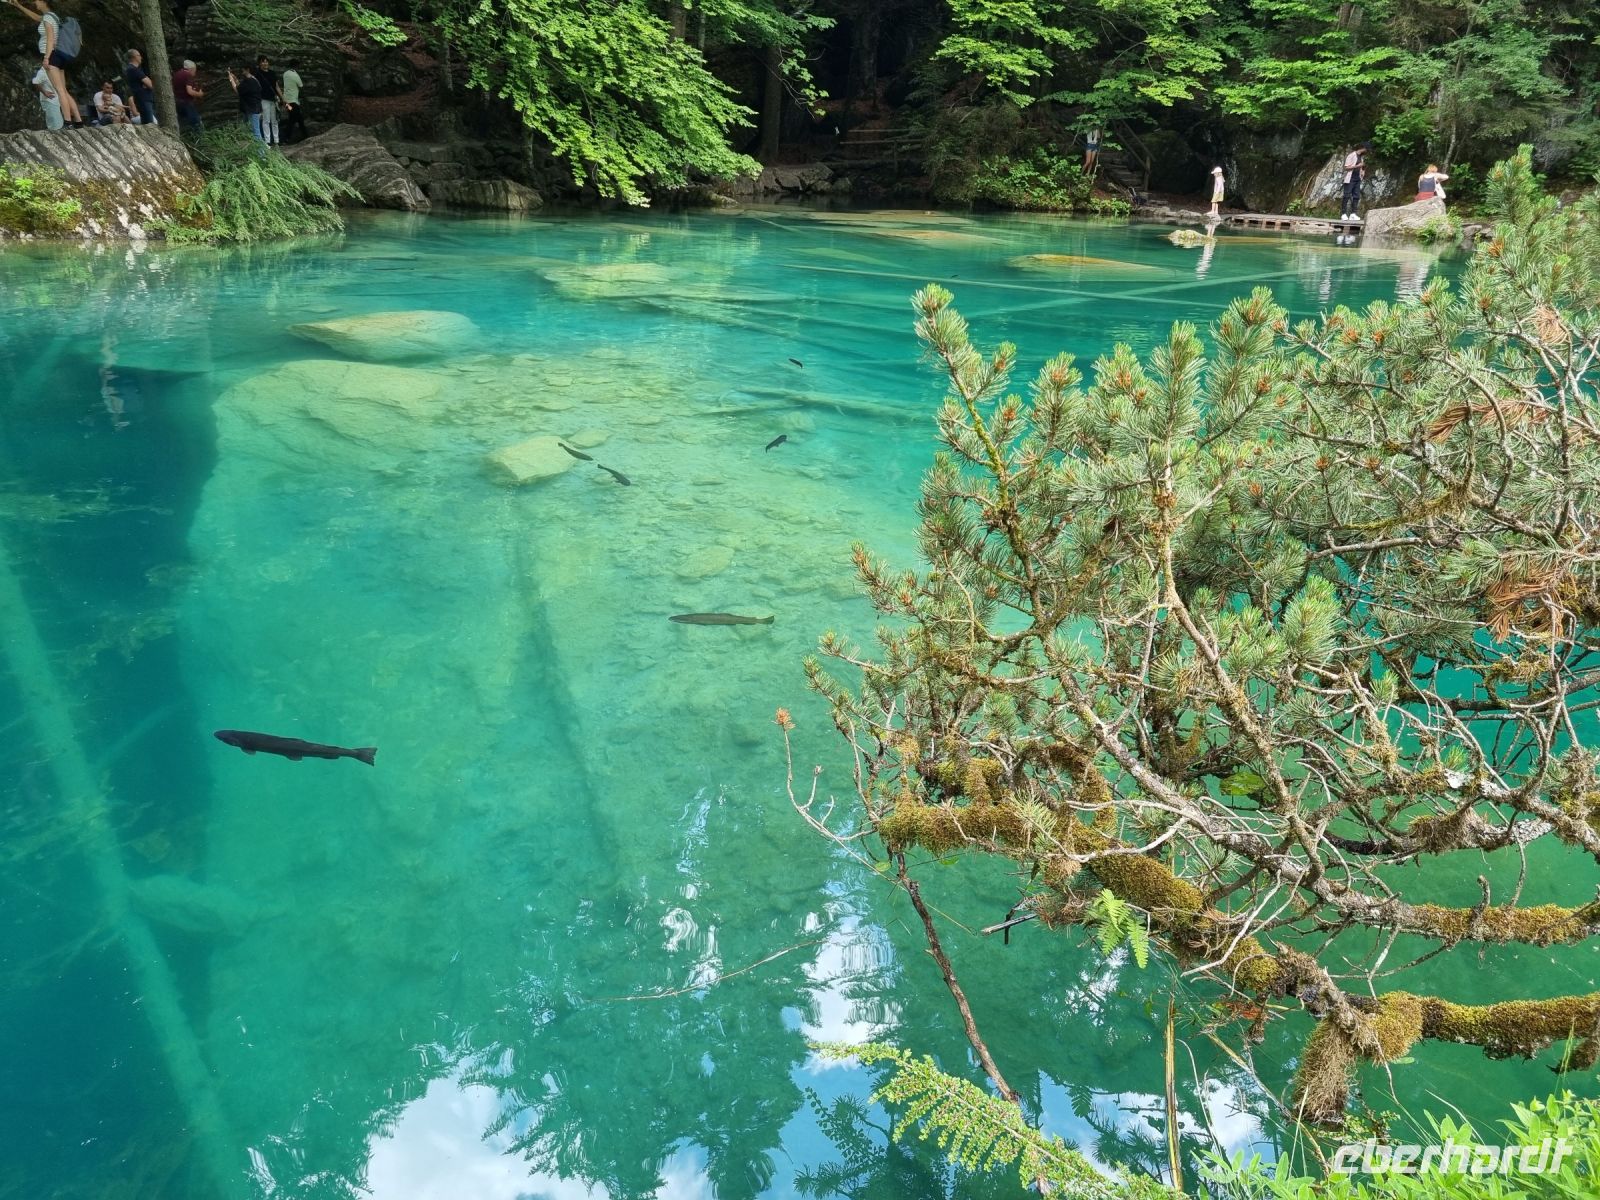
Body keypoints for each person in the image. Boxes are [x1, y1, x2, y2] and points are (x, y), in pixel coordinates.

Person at [9, 0, 85, 127]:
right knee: (64, 90)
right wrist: (18, 6)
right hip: (60, 56)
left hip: (52, 56)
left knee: (59, 90)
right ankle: (78, 121)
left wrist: (46, 58)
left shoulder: (48, 18)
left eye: (37, 0)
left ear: (44, 1)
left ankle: (67, 122)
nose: (35, 2)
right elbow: (36, 17)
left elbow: (50, 39)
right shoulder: (52, 16)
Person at [228, 59, 264, 142]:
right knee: (249, 131)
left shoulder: (249, 81)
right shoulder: (253, 80)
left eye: (243, 69)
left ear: (248, 69)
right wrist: (235, 79)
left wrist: (231, 80)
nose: (242, 70)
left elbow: (238, 91)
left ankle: (262, 150)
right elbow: (241, 88)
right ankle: (254, 148)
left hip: (252, 110)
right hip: (250, 109)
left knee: (256, 133)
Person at [253, 54, 280, 146]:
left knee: (275, 120)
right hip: (264, 99)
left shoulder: (272, 73)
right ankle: (267, 141)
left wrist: (282, 98)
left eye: (266, 61)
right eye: (263, 62)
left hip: (273, 99)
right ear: (259, 63)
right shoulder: (257, 74)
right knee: (266, 120)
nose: (265, 63)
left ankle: (276, 141)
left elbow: (277, 87)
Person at [123, 49, 156, 125]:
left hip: (144, 99)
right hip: (143, 99)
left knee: (148, 122)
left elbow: (148, 83)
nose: (141, 57)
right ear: (134, 57)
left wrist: (146, 83)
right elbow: (150, 84)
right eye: (139, 55)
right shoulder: (133, 69)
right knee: (149, 124)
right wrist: (147, 83)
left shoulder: (135, 69)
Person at [1341, 142, 1370, 222]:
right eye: (1367, 149)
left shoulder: (1361, 157)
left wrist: (1362, 171)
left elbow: (1362, 166)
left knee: (1356, 196)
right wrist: (1357, 166)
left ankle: (1353, 214)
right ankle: (1343, 214)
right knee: (1346, 195)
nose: (1367, 151)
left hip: (1357, 179)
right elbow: (1346, 168)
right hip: (1350, 179)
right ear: (1363, 148)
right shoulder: (1351, 155)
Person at [172, 59, 204, 131]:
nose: (195, 72)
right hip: (186, 102)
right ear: (191, 69)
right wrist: (199, 94)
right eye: (195, 70)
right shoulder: (188, 75)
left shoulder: (177, 74)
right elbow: (189, 91)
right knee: (196, 123)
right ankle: (199, 137)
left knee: (183, 122)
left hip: (177, 102)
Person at [279, 60, 305, 142]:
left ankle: (304, 135)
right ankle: (286, 138)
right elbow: (301, 86)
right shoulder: (295, 75)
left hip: (287, 102)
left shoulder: (285, 74)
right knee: (294, 119)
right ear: (297, 66)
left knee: (295, 118)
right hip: (294, 102)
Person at [30, 63, 62, 130]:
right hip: (49, 102)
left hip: (56, 101)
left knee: (59, 123)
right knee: (54, 125)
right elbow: (35, 82)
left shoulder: (53, 70)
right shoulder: (42, 72)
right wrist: (44, 92)